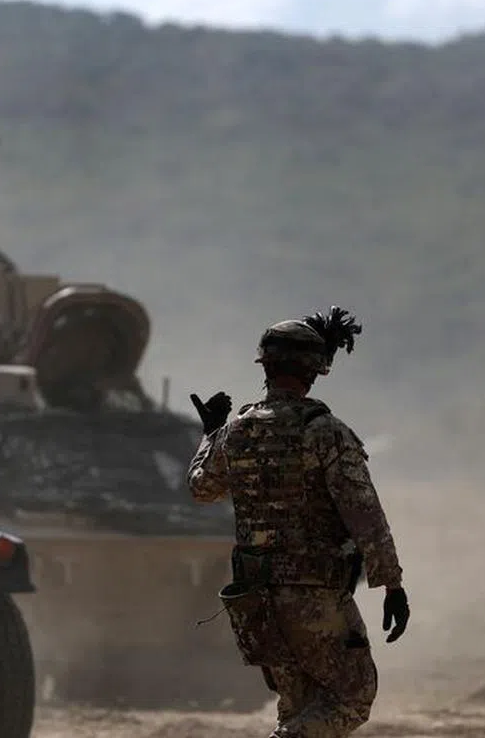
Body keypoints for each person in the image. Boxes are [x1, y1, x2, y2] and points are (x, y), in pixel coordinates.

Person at [186, 307, 409, 738]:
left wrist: (209, 434)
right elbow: (365, 516)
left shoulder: (235, 432)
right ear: (315, 371)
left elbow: (202, 487)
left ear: (265, 366)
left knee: (297, 709)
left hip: (254, 600)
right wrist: (392, 585)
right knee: (352, 696)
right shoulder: (324, 432)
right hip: (314, 596)